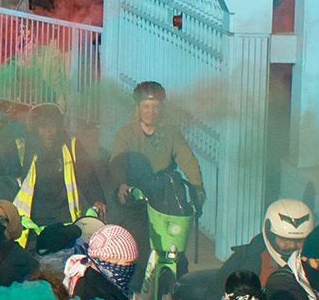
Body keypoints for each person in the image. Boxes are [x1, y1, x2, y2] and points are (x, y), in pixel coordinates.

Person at [107, 82, 205, 269]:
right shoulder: (126, 134)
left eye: (155, 106)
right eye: (146, 106)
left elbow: (188, 160)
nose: (150, 111)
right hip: (136, 198)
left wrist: (197, 188)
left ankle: (175, 284)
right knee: (137, 244)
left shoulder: (171, 133)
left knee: (177, 247)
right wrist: (120, 184)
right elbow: (117, 162)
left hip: (165, 195)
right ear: (138, 108)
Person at [12, 104, 107, 250]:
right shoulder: (23, 149)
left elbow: (88, 178)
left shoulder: (72, 146)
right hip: (33, 223)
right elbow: (8, 181)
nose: (48, 133)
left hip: (65, 221)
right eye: (43, 128)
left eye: (53, 127)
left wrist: (97, 199)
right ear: (35, 129)